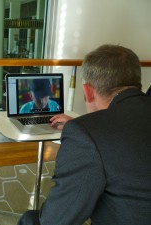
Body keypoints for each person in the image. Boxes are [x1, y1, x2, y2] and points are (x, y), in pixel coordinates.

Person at [17, 44, 151, 225]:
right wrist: (82, 126)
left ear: (87, 91)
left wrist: (84, 130)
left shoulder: (85, 135)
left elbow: (56, 220)